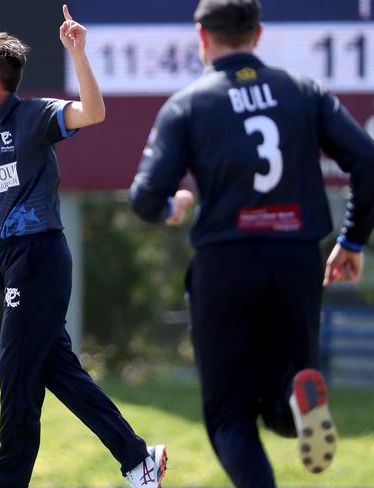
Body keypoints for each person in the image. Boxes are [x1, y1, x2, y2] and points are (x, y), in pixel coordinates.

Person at [0, 5, 167, 488]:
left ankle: (6, 483)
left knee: (15, 371)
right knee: (54, 368)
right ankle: (139, 460)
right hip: (11, 262)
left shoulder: (33, 116)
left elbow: (93, 113)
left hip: (40, 256)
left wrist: (78, 54)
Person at [129, 0, 374, 486]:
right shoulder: (304, 91)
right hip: (296, 258)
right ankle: (296, 391)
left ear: (202, 37)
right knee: (284, 402)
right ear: (258, 34)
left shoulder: (188, 103)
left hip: (226, 262)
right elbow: (366, 160)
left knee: (228, 417)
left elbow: (144, 196)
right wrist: (352, 240)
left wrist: (170, 208)